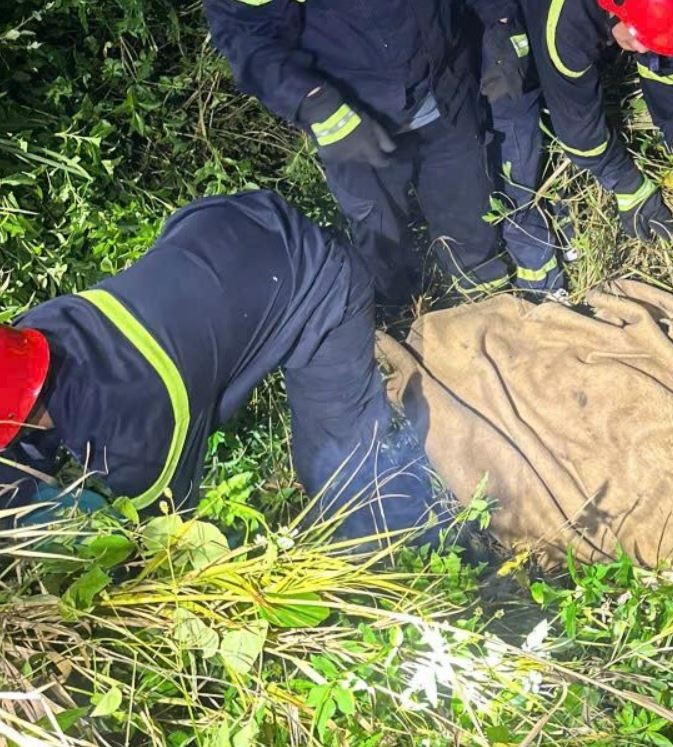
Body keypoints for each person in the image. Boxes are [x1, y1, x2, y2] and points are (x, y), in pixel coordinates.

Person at [0, 190, 441, 543]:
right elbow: (20, 422)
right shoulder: (35, 331)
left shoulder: (135, 432)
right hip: (223, 227)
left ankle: (385, 551)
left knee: (337, 465)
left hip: (317, 282)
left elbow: (168, 531)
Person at [202, 0, 517, 304]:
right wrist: (314, 103)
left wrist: (502, 26)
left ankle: (485, 314)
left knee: (471, 228)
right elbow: (245, 30)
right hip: (352, 117)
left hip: (446, 92)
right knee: (381, 242)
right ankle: (401, 320)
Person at [520, 0, 673, 243]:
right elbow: (575, 121)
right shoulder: (565, 26)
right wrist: (624, 182)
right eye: (638, 35)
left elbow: (665, 66)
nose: (642, 49)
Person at [475, 2, 567, 295]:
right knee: (530, 173)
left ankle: (542, 282)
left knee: (516, 187)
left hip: (503, 74)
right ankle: (556, 252)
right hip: (500, 62)